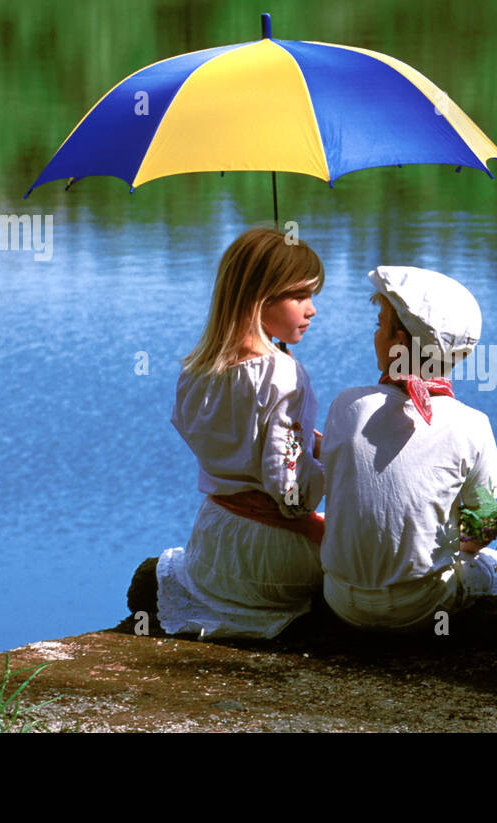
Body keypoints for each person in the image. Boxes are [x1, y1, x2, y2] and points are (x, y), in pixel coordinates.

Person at [136, 227, 326, 640]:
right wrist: (327, 462)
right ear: (260, 297)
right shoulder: (285, 373)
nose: (311, 310)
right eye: (300, 296)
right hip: (273, 563)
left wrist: (295, 442)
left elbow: (215, 436)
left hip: (213, 547)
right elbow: (292, 497)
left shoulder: (196, 369)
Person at [319, 265, 497, 632]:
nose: (374, 335)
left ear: (399, 341)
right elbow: (489, 523)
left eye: (379, 325)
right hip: (424, 609)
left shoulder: (346, 405)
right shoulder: (472, 423)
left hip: (342, 603)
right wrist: (465, 540)